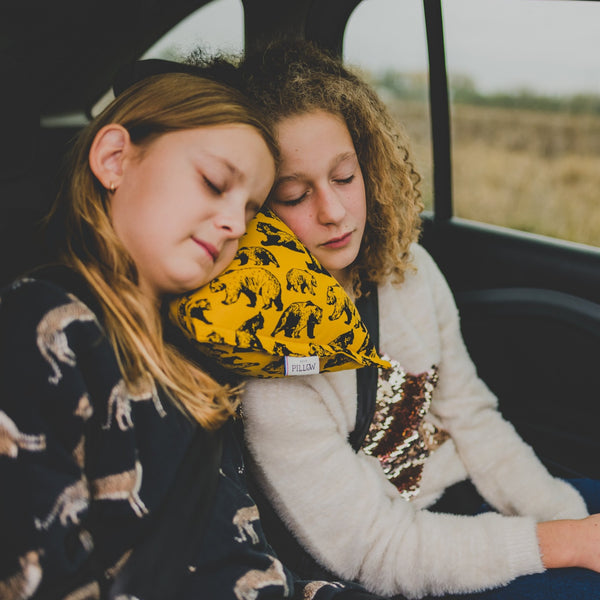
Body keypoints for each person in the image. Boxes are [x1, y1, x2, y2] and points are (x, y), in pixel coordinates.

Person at [228, 41, 600, 599]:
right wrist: (565, 545)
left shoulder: (409, 268)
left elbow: (471, 415)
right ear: (252, 207)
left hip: (473, 508)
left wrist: (563, 515)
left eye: (344, 177)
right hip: (405, 567)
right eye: (294, 194)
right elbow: (378, 550)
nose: (332, 211)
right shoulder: (269, 367)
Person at [0, 66, 385, 600]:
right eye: (213, 183)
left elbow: (238, 559)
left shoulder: (196, 358)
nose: (234, 224)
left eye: (251, 208)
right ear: (115, 159)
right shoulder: (46, 326)